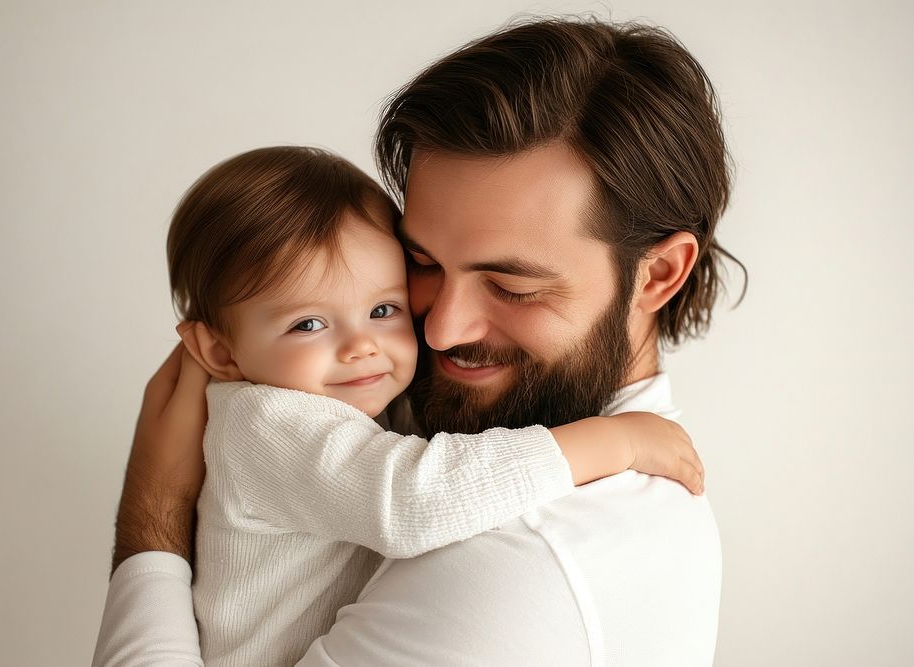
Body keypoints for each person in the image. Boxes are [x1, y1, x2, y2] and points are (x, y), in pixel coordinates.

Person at [95, 17, 741, 666]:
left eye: (511, 285)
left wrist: (153, 518)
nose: (439, 329)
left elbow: (412, 498)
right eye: (422, 263)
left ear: (658, 274)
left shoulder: (519, 556)